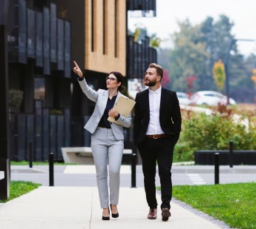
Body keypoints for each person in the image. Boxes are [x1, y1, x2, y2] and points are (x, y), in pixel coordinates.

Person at [73, 61, 132, 221]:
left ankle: (114, 203)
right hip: (98, 136)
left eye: (112, 79)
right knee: (101, 174)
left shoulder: (124, 100)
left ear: (118, 83)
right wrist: (81, 76)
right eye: (108, 78)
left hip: (116, 139)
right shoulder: (100, 94)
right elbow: (86, 91)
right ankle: (105, 207)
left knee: (114, 170)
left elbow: (128, 123)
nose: (108, 80)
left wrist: (118, 116)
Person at [133, 63, 182, 221]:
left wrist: (172, 138)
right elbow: (138, 120)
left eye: (150, 74)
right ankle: (152, 207)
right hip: (146, 142)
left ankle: (165, 206)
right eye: (146, 73)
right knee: (149, 176)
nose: (146, 76)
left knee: (165, 172)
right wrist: (138, 141)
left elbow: (177, 119)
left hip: (165, 141)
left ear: (158, 78)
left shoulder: (170, 95)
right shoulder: (140, 97)